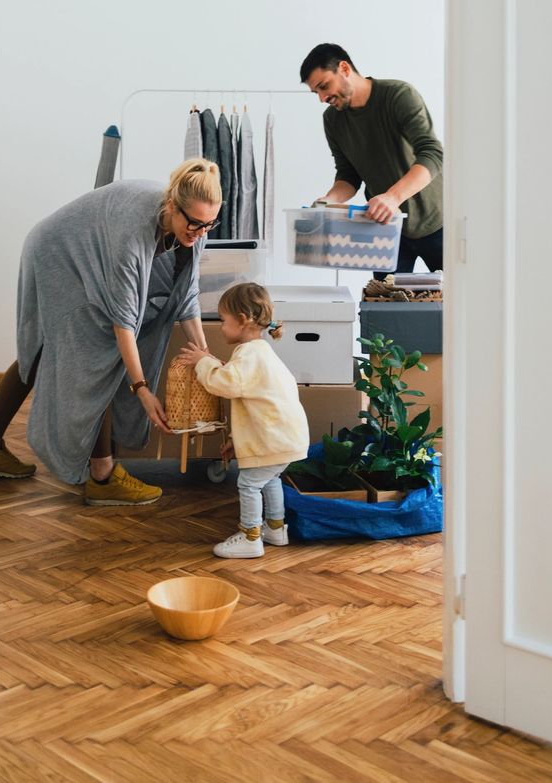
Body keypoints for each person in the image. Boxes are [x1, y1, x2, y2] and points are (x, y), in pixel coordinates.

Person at [0, 158, 222, 506]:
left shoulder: (196, 225)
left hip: (86, 247)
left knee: (44, 353)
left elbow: (186, 296)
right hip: (57, 254)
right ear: (172, 206)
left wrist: (205, 356)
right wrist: (142, 389)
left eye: (209, 225)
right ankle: (102, 475)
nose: (200, 232)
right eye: (194, 223)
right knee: (97, 353)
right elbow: (122, 322)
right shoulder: (132, 237)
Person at [178, 283, 310, 559]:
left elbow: (225, 384)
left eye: (224, 321)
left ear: (242, 320)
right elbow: (253, 405)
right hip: (285, 438)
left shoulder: (248, 354)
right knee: (271, 478)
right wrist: (235, 440)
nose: (222, 327)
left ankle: (251, 536)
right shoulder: (261, 353)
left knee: (249, 484)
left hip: (274, 438)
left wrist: (203, 361)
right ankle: (276, 528)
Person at [299, 43, 444, 274]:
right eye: (317, 92)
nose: (323, 97)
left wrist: (392, 197)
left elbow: (433, 153)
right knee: (382, 305)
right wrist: (328, 201)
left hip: (438, 222)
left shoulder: (398, 95)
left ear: (344, 68)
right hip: (386, 229)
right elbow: (348, 175)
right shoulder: (333, 121)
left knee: (461, 304)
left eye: (324, 86)